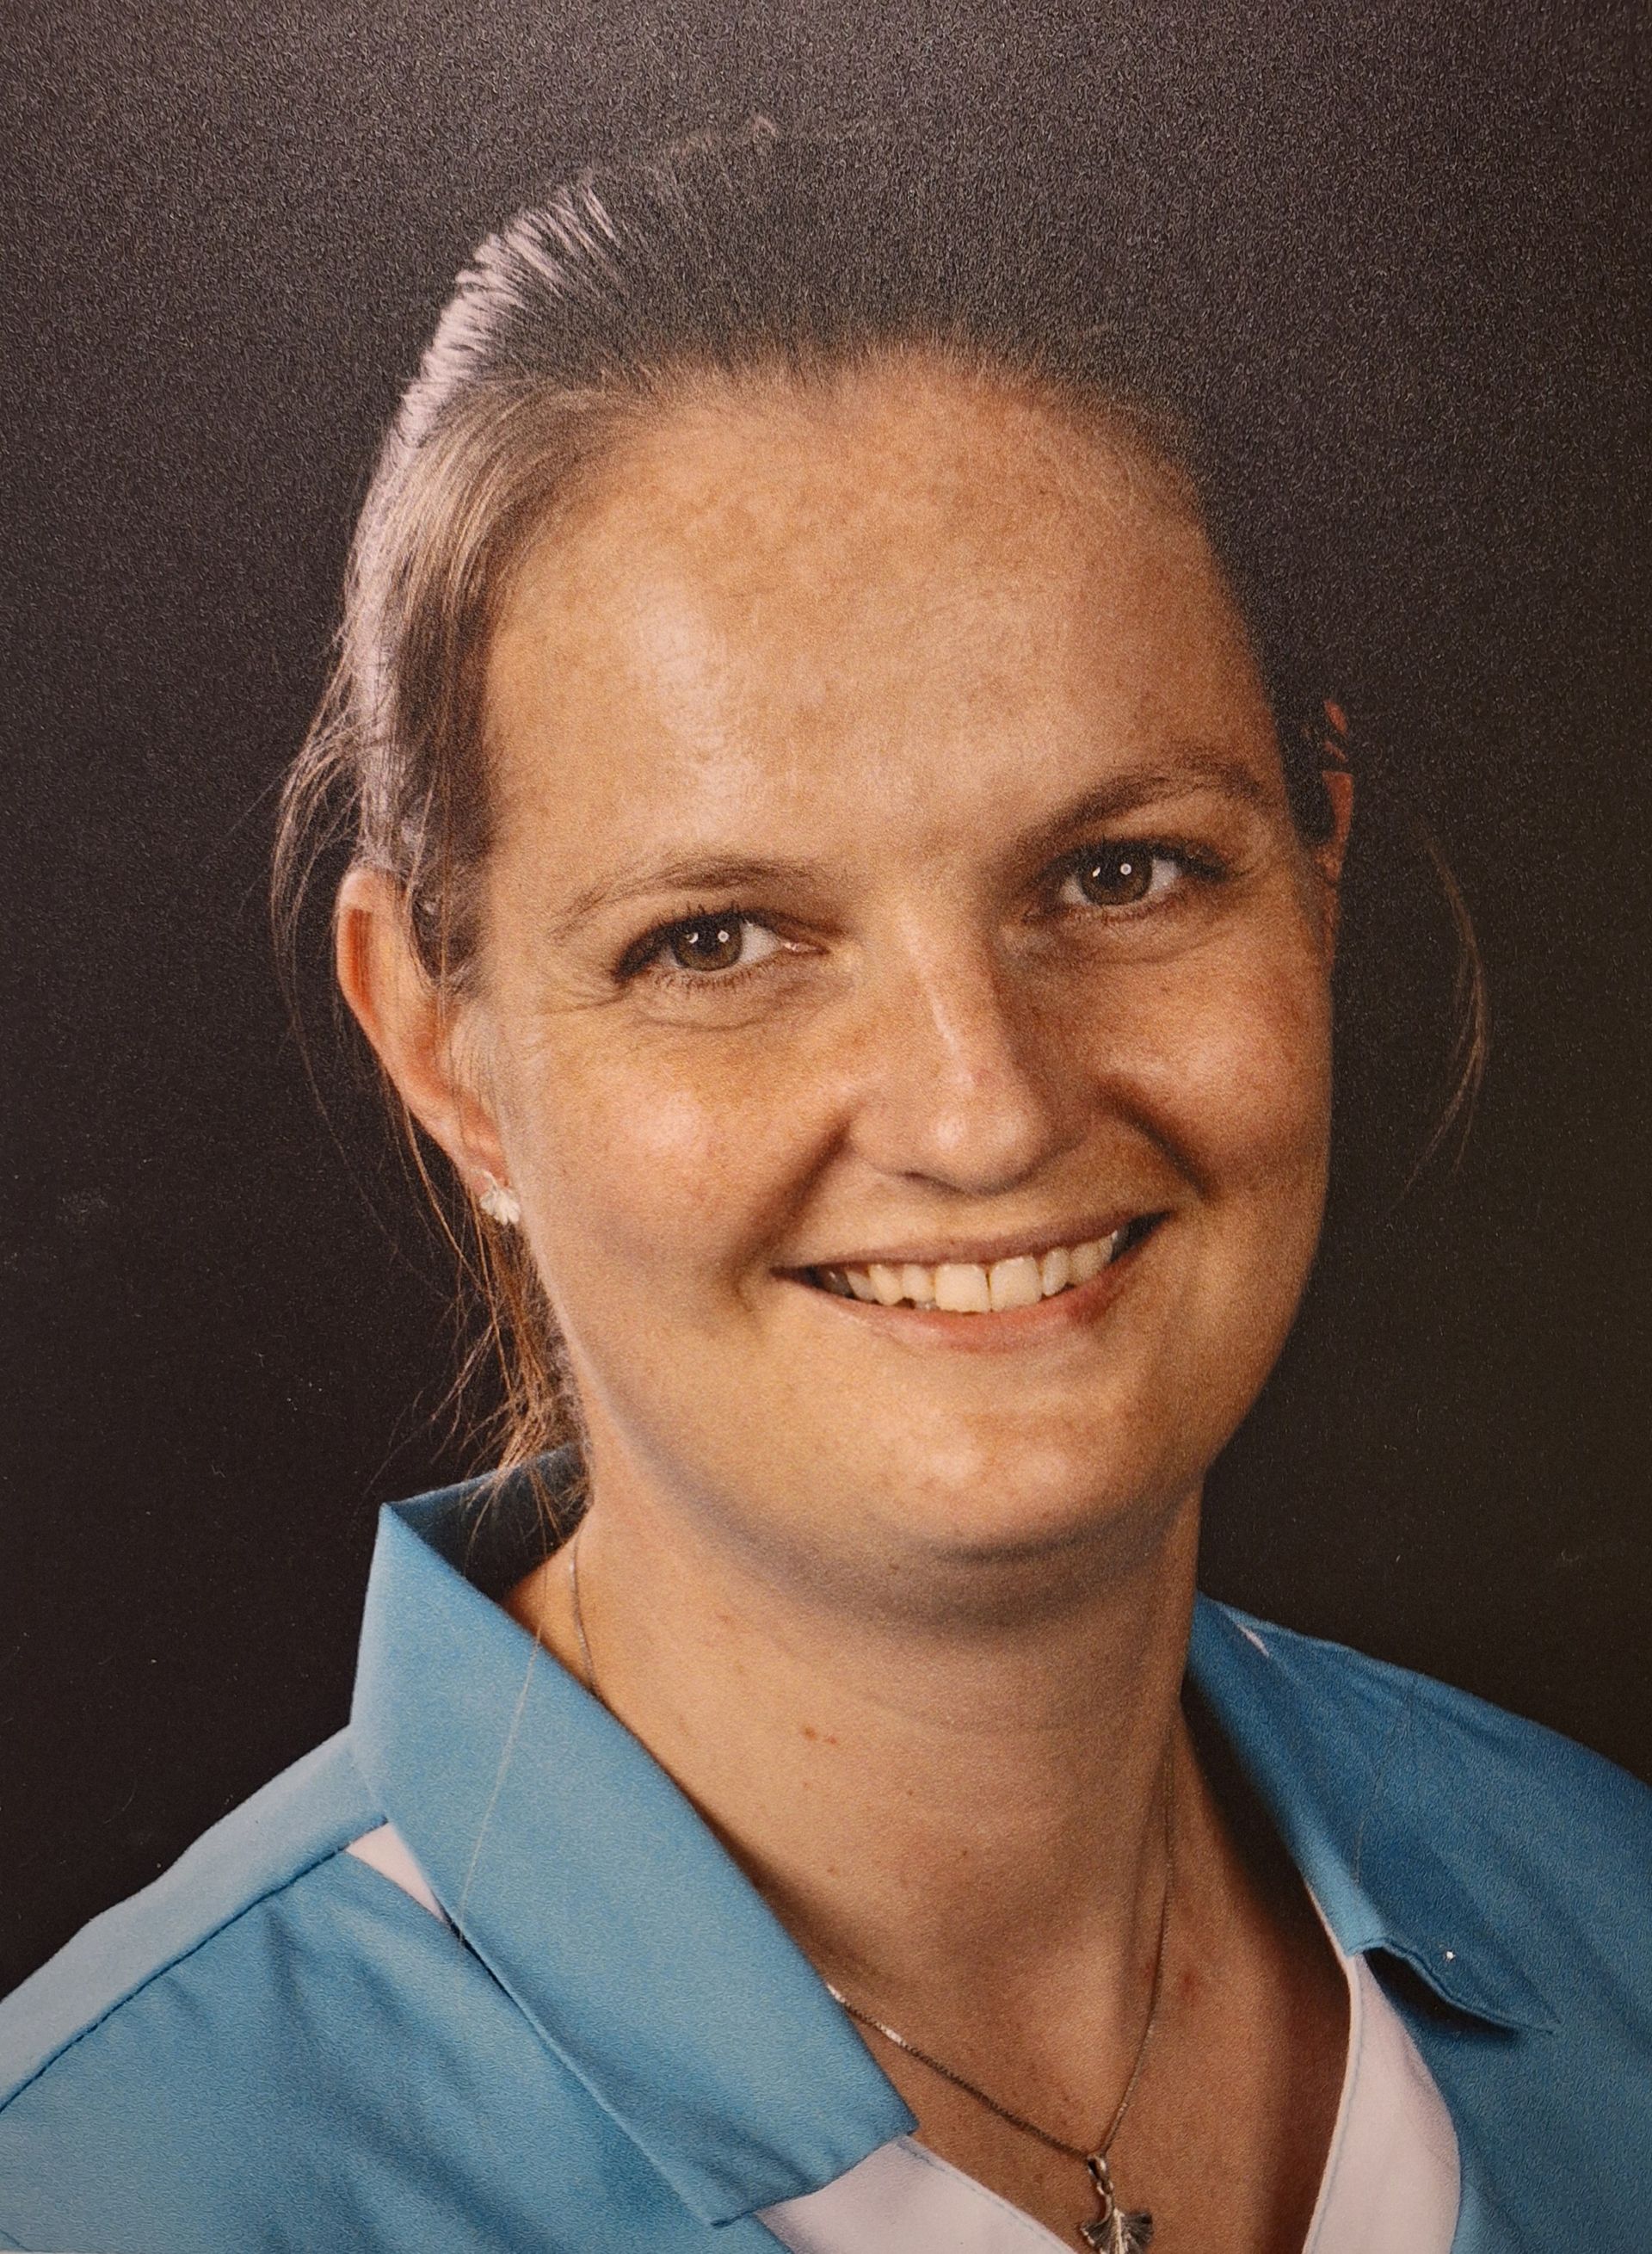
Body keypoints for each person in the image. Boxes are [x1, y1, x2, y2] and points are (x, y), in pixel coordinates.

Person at [2, 120, 1648, 2254]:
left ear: (1317, 865)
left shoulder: (1614, 1917)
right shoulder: (104, 2188)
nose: (983, 1110)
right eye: (716, 938)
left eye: (1120, 871)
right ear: (441, 1045)